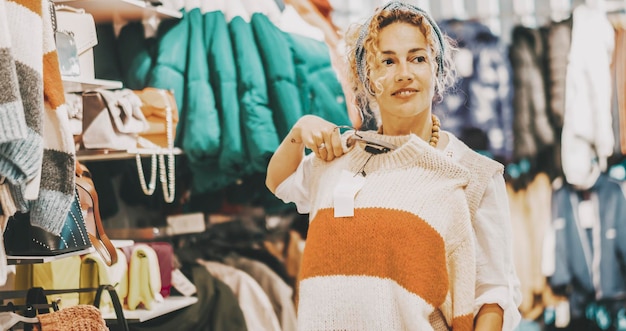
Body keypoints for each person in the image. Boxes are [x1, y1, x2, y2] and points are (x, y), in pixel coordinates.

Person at [266, 1, 521, 330]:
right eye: (387, 61)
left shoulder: (472, 175)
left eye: (418, 58)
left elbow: (492, 294)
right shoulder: (342, 158)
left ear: (436, 68)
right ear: (366, 78)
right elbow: (279, 182)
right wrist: (298, 131)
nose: (404, 73)